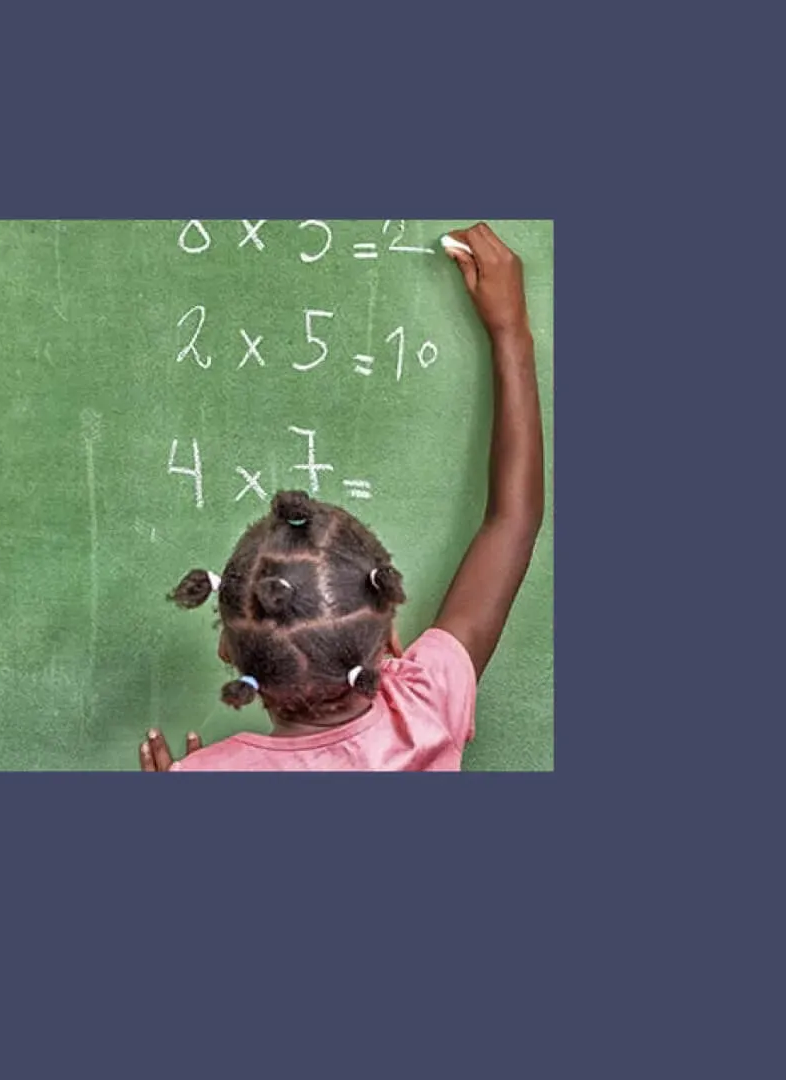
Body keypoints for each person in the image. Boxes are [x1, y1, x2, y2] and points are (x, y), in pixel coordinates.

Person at [141, 223, 544, 771]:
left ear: (228, 655)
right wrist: (511, 330)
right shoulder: (426, 712)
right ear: (391, 640)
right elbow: (513, 521)